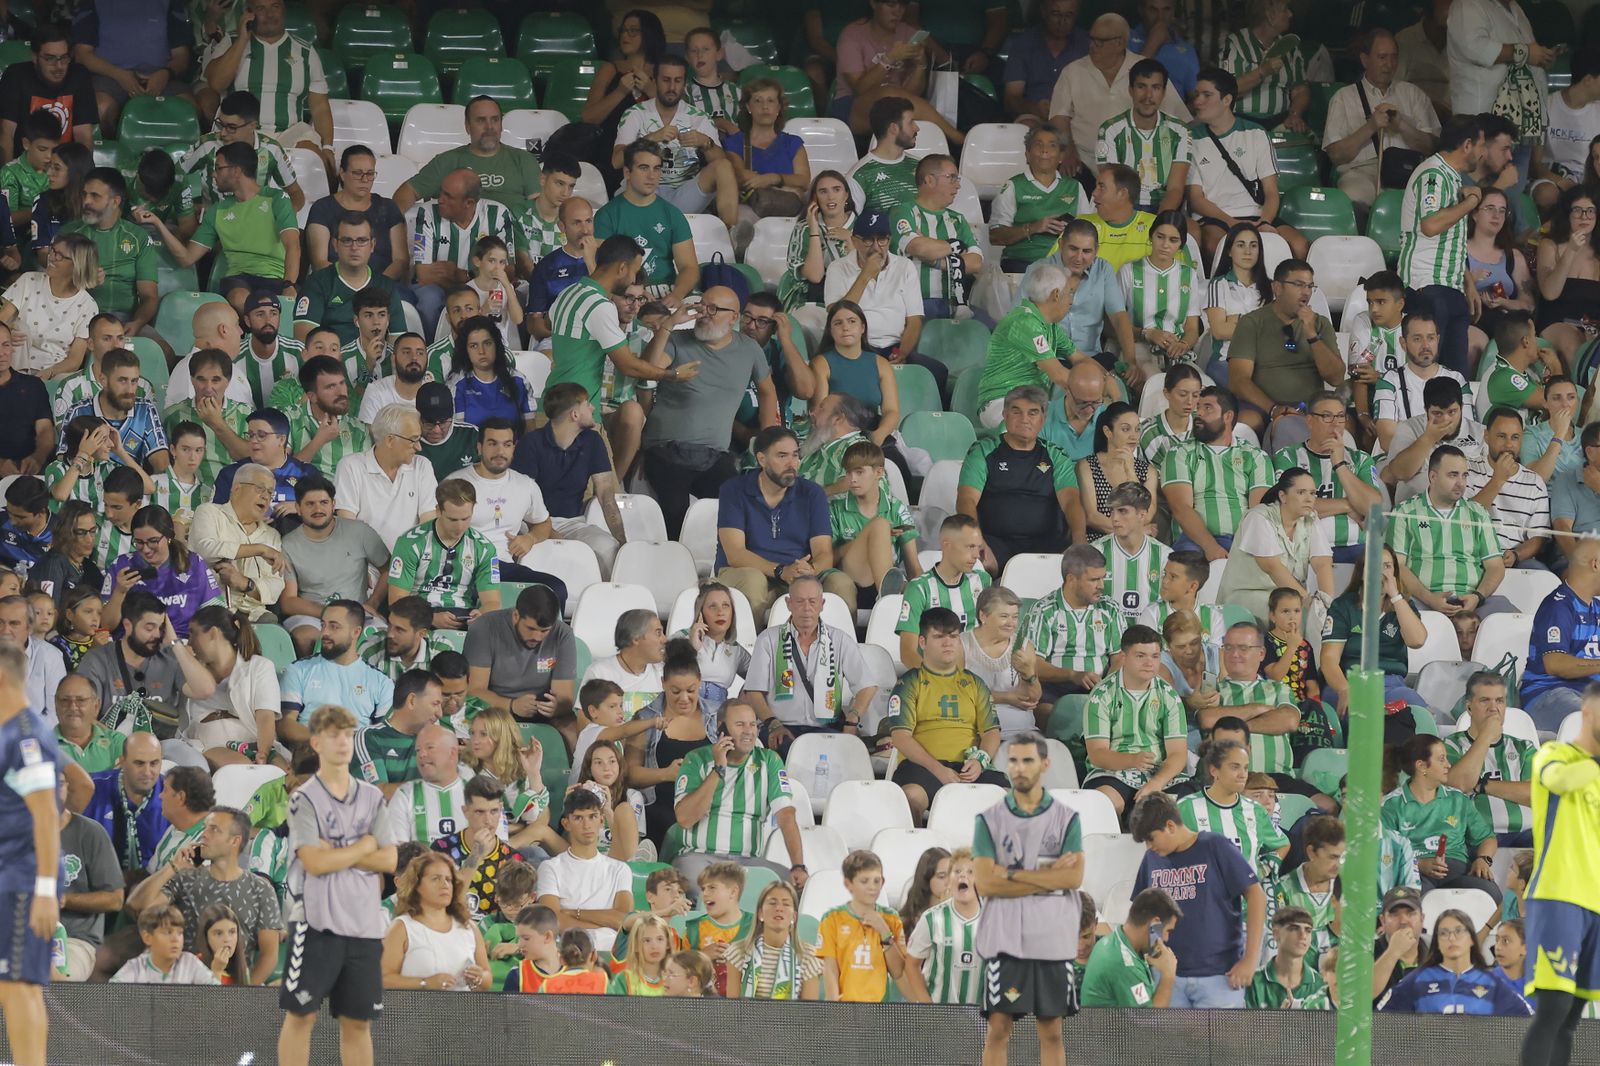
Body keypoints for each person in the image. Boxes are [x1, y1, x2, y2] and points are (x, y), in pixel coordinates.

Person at [276, 704, 397, 1066]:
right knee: (302, 1015)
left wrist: (342, 850)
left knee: (358, 1023)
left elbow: (390, 860)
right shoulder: (303, 798)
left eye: (347, 734)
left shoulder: (373, 797)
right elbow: (313, 861)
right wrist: (363, 847)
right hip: (314, 922)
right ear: (316, 742)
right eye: (334, 735)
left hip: (363, 924)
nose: (343, 743)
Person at [971, 734, 1084, 1066]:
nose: (1019, 768)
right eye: (1014, 761)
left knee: (1051, 1031)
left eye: (1028, 761)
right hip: (1006, 940)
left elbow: (1072, 878)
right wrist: (1045, 877)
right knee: (998, 1028)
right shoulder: (988, 821)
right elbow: (986, 883)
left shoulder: (1067, 819)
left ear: (1045, 765)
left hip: (1052, 939)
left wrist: (1012, 874)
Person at [1519, 681, 1600, 1063]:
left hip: (1595, 904)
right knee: (1553, 1008)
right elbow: (1559, 781)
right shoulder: (1555, 754)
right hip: (1558, 894)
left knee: (1571, 1020)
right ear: (1588, 711)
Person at [1130, 791, 1266, 1008]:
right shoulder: (1151, 858)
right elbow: (1140, 913)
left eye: (1151, 838)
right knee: (1171, 1043)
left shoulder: (1215, 846)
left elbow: (1257, 895)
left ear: (1170, 826)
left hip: (1220, 976)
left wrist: (1250, 960)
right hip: (1167, 977)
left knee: (1222, 1042)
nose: (1149, 846)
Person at [125, 804, 282, 985]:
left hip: (236, 988)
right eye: (205, 828)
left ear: (235, 841)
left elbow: (269, 955)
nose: (204, 835)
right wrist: (173, 866)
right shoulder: (185, 879)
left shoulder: (260, 889)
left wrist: (243, 995)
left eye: (214, 830)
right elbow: (136, 906)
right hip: (187, 986)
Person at [137, 140, 300, 310]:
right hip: (239, 279)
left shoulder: (277, 199)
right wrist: (157, 223)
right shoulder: (218, 210)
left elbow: (293, 245)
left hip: (276, 279)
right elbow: (186, 258)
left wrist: (289, 285)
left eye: (218, 168)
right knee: (240, 298)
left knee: (275, 305)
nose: (214, 175)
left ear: (236, 171)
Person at [0, 641, 61, 1064]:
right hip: (15, 876)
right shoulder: (12, 732)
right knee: (21, 986)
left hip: (23, 878)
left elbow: (45, 816)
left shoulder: (26, 738)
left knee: (17, 987)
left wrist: (43, 889)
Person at [888, 607, 1007, 821]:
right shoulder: (909, 683)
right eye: (939, 636)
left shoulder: (974, 683)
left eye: (953, 636)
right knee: (911, 798)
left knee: (1013, 799)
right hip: (922, 768)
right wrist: (938, 770)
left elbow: (991, 732)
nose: (948, 642)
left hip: (968, 768)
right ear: (922, 643)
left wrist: (980, 761)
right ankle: (915, 850)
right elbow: (900, 737)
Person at [672, 699, 804, 884]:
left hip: (748, 863)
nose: (749, 731)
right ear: (721, 728)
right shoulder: (696, 759)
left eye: (752, 724)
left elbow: (786, 815)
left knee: (788, 886)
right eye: (740, 724)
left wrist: (798, 866)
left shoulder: (769, 761)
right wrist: (718, 769)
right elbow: (685, 818)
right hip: (700, 858)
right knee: (694, 886)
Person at [743, 574, 875, 755]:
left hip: (825, 728)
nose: (806, 608)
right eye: (799, 601)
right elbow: (753, 692)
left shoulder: (839, 640)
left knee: (841, 756)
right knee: (790, 752)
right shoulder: (768, 639)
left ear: (822, 604)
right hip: (781, 727)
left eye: (812, 602)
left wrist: (852, 720)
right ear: (789, 604)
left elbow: (867, 686)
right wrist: (772, 724)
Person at [1186, 68, 1307, 263]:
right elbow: (1196, 199)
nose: (1198, 101)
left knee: (1299, 245)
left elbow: (1271, 192)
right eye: (1197, 95)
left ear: (1227, 100)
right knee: (1214, 246)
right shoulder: (1191, 138)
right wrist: (1233, 223)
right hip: (1215, 218)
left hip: (1257, 215)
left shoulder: (1256, 133)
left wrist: (1264, 222)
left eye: (1207, 95)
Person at [1397, 114, 1486, 378]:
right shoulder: (1433, 173)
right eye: (1481, 146)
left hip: (1449, 287)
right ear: (1467, 145)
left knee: (1453, 377)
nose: (1483, 154)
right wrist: (1471, 203)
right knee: (1428, 373)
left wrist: (1467, 279)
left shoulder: (1452, 176)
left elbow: (1449, 239)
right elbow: (1431, 225)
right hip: (1427, 287)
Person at [1050, 15, 1190, 176]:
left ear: (1120, 43)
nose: (1092, 46)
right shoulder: (1072, 71)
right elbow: (1058, 116)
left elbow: (1181, 118)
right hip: (1083, 162)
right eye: (1091, 39)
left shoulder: (1144, 69)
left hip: (1139, 162)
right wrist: (1067, 151)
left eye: (1099, 42)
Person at [958, 386, 1078, 573]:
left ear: (1043, 419)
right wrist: (977, 541)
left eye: (1033, 413)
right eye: (1016, 412)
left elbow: (1071, 502)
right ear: (1005, 415)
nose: (1024, 420)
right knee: (978, 565)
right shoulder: (983, 451)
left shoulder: (1056, 455)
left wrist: (1079, 541)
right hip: (994, 543)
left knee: (1076, 568)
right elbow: (966, 500)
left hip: (1047, 545)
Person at [612, 55, 738, 230]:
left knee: (724, 166)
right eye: (666, 80)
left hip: (683, 195)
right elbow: (617, 161)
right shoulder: (636, 113)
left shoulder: (698, 117)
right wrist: (651, 139)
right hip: (643, 192)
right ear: (654, 80)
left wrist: (705, 142)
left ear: (685, 84)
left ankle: (730, 233)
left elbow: (721, 163)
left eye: (678, 81)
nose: (672, 87)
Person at [1388, 444, 1513, 618]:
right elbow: (1396, 566)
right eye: (1453, 475)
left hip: (1473, 601)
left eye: (1464, 475)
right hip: (1421, 600)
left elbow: (1495, 566)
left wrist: (1477, 597)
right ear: (1432, 476)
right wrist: (1429, 598)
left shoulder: (1478, 513)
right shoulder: (1405, 512)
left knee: (1510, 618)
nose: (1461, 483)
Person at [1322, 29, 1441, 211]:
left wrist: (1402, 125)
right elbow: (1336, 155)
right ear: (1365, 60)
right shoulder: (1343, 97)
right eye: (1382, 57)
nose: (1389, 64)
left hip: (1407, 169)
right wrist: (1371, 127)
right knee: (1352, 196)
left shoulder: (1413, 94)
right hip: (1361, 172)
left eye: (1394, 57)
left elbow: (1431, 147)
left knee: (1433, 197)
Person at [1225, 259, 1344, 439]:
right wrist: (1274, 409)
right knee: (1245, 422)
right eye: (1298, 285)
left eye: (1310, 286)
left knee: (1345, 424)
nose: (1306, 292)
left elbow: (1336, 377)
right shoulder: (1252, 323)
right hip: (1263, 407)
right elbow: (1238, 380)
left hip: (1311, 408)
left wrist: (1312, 335)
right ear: (1277, 288)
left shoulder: (1320, 324)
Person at [200, 0, 330, 158]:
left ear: (283, 10)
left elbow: (320, 108)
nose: (270, 14)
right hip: (240, 133)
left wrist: (328, 148)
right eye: (261, 8)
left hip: (289, 134)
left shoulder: (306, 52)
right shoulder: (231, 43)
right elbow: (216, 84)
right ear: (249, 13)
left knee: (314, 158)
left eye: (275, 6)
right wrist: (242, 40)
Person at [1080, 623, 1187, 816]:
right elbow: (1097, 754)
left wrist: (1156, 783)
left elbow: (1178, 753)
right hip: (1112, 772)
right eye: (1140, 656)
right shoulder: (1101, 696)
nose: (1149, 663)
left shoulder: (1169, 695)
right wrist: (1132, 760)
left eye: (1155, 656)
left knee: (1188, 806)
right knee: (1106, 805)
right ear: (1123, 657)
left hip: (1158, 774)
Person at [1382, 735, 1502, 899]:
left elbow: (1487, 838)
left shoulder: (1458, 799)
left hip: (1458, 871)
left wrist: (1483, 860)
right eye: (1441, 759)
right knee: (1410, 898)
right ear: (1422, 766)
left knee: (1490, 893)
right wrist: (1418, 864)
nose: (1448, 765)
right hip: (1414, 874)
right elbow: (1384, 853)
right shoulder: (1391, 805)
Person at [1161, 386, 1273, 560]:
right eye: (1198, 407)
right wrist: (1210, 546)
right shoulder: (1179, 453)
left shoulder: (1255, 456)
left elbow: (1259, 511)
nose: (1199, 413)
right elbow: (1181, 508)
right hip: (1193, 541)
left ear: (1228, 416)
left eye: (1207, 408)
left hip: (1241, 540)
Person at [407, 171, 521, 338]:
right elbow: (424, 274)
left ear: (468, 203)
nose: (440, 199)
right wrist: (475, 275)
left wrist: (463, 275)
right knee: (430, 298)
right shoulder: (427, 214)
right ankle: (433, 352)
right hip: (438, 289)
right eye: (441, 192)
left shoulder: (498, 215)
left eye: (448, 196)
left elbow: (508, 271)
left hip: (483, 285)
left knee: (517, 297)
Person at [1274, 391, 1383, 565]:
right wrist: (1349, 505)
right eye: (1327, 417)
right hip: (1305, 550)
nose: (1335, 425)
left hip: (1356, 549)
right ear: (1309, 421)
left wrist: (1339, 464)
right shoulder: (1288, 457)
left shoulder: (1360, 459)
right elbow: (1292, 505)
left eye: (1340, 417)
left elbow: (1373, 508)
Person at [1320, 544, 1430, 716]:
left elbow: (1417, 641)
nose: (1381, 572)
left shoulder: (1403, 605)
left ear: (1394, 572)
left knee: (1420, 714)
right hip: (1350, 681)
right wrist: (1344, 689)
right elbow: (1329, 658)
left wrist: (1395, 596)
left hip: (1391, 685)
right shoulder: (1343, 606)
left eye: (1387, 566)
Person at [1217, 467, 1334, 623]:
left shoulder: (1310, 519)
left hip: (1289, 598)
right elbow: (1272, 567)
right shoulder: (1259, 517)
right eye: (1301, 492)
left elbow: (1323, 563)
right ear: (1283, 496)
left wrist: (1328, 605)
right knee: (1295, 614)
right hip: (1247, 597)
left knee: (1323, 618)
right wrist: (1307, 602)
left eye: (1312, 493)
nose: (1309, 499)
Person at [61, 168, 162, 348]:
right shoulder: (69, 234)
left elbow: (149, 296)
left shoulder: (138, 237)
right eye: (84, 194)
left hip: (124, 320)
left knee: (164, 353)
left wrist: (137, 323)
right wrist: (82, 281)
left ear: (115, 202)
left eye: (95, 196)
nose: (86, 201)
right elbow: (54, 286)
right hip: (77, 318)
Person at [393, 96, 542, 214]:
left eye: (495, 120)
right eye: (481, 120)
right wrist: (395, 227)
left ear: (501, 125)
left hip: (512, 243)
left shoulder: (524, 160)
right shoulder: (447, 161)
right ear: (467, 126)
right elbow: (407, 192)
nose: (489, 127)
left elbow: (540, 212)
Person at [976, 264, 1082, 430]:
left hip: (1034, 405)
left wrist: (1107, 377)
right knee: (1056, 427)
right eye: (1070, 292)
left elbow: (1080, 359)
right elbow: (1059, 375)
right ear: (1056, 295)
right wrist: (1099, 388)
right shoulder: (1024, 322)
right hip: (1002, 402)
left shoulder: (1050, 326)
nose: (1071, 299)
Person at [595, 142, 699, 307]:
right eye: (644, 168)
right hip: (625, 298)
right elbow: (602, 271)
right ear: (627, 172)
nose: (652, 176)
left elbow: (689, 267)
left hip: (667, 293)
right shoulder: (606, 216)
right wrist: (635, 293)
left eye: (656, 168)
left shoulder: (672, 214)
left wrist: (676, 295)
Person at [276, 601, 396, 743]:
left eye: (334, 626)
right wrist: (328, 741)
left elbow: (385, 735)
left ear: (356, 632)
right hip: (312, 754)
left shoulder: (381, 682)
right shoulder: (299, 670)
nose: (324, 632)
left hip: (359, 758)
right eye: (323, 625)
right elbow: (285, 726)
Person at [534, 786, 633, 955]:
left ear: (601, 821)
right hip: (570, 952)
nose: (587, 825)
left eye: (592, 817)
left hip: (613, 953)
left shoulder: (619, 869)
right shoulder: (550, 868)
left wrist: (575, 912)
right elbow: (554, 921)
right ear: (566, 823)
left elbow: (624, 920)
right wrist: (606, 922)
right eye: (578, 818)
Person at [464, 584, 577, 731]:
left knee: (574, 728)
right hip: (494, 709)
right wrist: (511, 705)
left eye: (544, 631)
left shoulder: (563, 634)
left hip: (543, 713)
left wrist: (556, 707)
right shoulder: (484, 628)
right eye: (530, 628)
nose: (537, 637)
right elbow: (474, 691)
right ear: (516, 615)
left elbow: (564, 697)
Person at [1378, 907, 1531, 1015]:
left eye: (1458, 931)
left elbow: (1527, 1022)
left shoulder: (1493, 983)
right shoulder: (1417, 980)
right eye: (1443, 933)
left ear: (1472, 938)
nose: (1451, 938)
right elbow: (1382, 1021)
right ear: (1437, 941)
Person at [101, 505, 220, 640]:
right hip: (134, 648)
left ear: (168, 536)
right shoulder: (122, 565)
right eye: (139, 542)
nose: (146, 549)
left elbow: (216, 615)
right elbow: (105, 626)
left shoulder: (193, 563)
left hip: (182, 647)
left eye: (153, 541)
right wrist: (119, 592)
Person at [379, 849, 491, 992]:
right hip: (416, 1013)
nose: (444, 884)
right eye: (435, 878)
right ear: (416, 885)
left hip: (463, 1012)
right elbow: (383, 979)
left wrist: (479, 977)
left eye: (448, 879)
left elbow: (487, 978)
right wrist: (424, 983)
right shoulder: (402, 927)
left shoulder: (469, 927)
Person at [1444, 670, 1535, 841]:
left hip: (1527, 836)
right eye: (1485, 700)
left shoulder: (1524, 747)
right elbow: (1459, 784)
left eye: (1499, 701)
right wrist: (1486, 736)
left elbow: (1537, 795)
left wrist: (1480, 785)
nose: (1493, 708)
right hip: (1473, 837)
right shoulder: (1450, 746)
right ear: (1469, 707)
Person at [1520, 536, 1600, 730]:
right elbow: (1555, 663)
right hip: (1549, 693)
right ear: (1596, 564)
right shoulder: (1558, 605)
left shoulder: (1596, 607)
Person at [189, 462, 287, 621]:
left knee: (272, 628)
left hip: (254, 613)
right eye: (260, 489)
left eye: (270, 492)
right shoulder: (210, 512)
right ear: (237, 489)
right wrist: (260, 549)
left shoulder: (271, 535)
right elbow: (205, 550)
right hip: (213, 607)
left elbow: (276, 585)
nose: (266, 496)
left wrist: (245, 584)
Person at [178, 90, 304, 211]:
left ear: (252, 126)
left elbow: (296, 194)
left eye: (231, 127)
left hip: (253, 225)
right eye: (220, 124)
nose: (223, 133)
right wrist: (191, 209)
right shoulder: (206, 145)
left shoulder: (272, 150)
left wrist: (282, 219)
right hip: (212, 224)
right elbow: (175, 176)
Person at [293, 213, 407, 345]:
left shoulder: (386, 286)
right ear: (335, 244)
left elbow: (398, 343)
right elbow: (304, 341)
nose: (354, 248)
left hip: (375, 363)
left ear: (372, 245)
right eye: (347, 240)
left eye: (362, 240)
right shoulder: (317, 283)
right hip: (330, 362)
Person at [1096, 59, 1192, 215]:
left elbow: (1175, 189)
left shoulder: (1180, 130)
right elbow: (1111, 186)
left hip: (1164, 208)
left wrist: (1157, 224)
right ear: (1130, 90)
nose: (1148, 96)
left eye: (1156, 88)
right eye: (1141, 87)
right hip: (1124, 208)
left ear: (1164, 92)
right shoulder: (1110, 130)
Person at [898, 514, 991, 668]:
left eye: (978, 547)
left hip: (978, 676)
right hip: (937, 679)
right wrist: (941, 679)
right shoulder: (919, 588)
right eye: (970, 547)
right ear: (947, 545)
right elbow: (907, 652)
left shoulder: (982, 581)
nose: (976, 555)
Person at [0, 231, 97, 378]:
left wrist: (48, 373)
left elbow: (75, 360)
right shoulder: (28, 281)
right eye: (53, 250)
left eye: (60, 256)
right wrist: (6, 335)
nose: (51, 257)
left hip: (52, 371)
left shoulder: (87, 305)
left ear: (77, 265)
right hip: (13, 363)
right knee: (20, 329)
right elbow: (1, 320)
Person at [990, 127, 1086, 271]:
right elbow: (995, 236)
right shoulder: (1013, 186)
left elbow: (1088, 231)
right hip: (1022, 263)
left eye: (1052, 145)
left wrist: (1071, 231)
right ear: (1027, 155)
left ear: (1061, 156)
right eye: (1038, 144)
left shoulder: (1075, 187)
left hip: (1066, 265)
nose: (1044, 150)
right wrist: (1034, 227)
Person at [305, 146, 406, 281]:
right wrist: (354, 285)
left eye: (370, 173)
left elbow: (400, 260)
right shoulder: (322, 208)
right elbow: (319, 262)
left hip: (383, 288)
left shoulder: (389, 207)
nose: (364, 180)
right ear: (342, 173)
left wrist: (379, 285)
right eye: (357, 173)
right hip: (334, 285)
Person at [0, 26, 96, 161]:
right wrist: (8, 178)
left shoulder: (79, 76)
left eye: (64, 58)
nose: (59, 66)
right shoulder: (16, 76)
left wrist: (80, 177)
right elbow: (6, 134)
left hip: (64, 170)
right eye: (50, 58)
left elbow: (83, 136)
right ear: (34, 57)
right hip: (22, 168)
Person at [1080, 885, 1181, 1007]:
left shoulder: (1113, 940)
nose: (1166, 938)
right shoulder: (1123, 964)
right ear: (1154, 924)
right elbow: (1153, 1023)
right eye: (1167, 931)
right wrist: (1168, 976)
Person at [1003, 0, 1089, 124]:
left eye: (1068, 15)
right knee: (1029, 128)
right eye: (1056, 14)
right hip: (1034, 116)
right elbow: (1011, 98)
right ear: (1044, 12)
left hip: (1077, 117)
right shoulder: (1024, 44)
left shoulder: (1087, 44)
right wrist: (1035, 108)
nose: (1062, 21)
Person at [110, 903, 218, 986]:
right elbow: (111, 996)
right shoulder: (136, 967)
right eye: (168, 932)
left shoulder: (190, 963)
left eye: (180, 933)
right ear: (147, 938)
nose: (176, 939)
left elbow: (216, 994)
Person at [1248, 906, 1331, 1009]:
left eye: (1308, 930)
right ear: (1276, 933)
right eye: (1294, 929)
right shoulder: (1253, 982)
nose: (1303, 936)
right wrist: (1280, 1021)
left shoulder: (1321, 985)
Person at [0, 324, 52, 479]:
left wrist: (38, 457)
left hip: (27, 473)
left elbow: (45, 430)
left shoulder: (33, 385)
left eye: (6, 345)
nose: (2, 353)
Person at [1138, 362, 1201, 467]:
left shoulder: (1205, 425)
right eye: (1183, 394)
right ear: (1166, 393)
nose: (1190, 401)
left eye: (1195, 395)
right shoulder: (1148, 432)